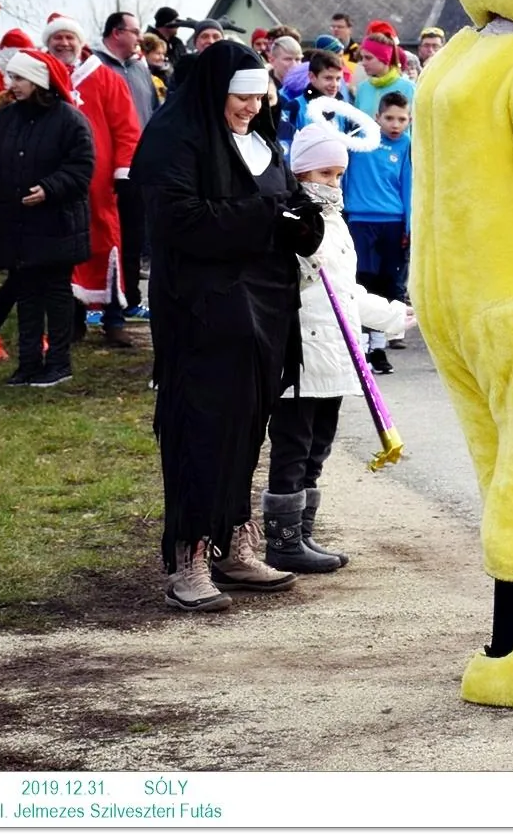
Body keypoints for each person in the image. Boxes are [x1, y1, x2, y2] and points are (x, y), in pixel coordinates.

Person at [131, 40, 326, 612]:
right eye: (240, 96)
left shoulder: (261, 142)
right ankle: (187, 556)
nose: (250, 106)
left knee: (247, 427)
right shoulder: (177, 141)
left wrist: (303, 219)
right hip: (203, 311)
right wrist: (268, 216)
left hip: (264, 312)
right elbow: (178, 220)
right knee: (201, 432)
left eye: (257, 96)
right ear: (216, 91)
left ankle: (234, 542)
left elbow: (286, 204)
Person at [266, 116, 412, 573]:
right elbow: (286, 282)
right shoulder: (292, 219)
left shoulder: (336, 221)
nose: (333, 182)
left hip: (336, 356)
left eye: (339, 174)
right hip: (301, 356)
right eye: (324, 173)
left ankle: (303, 534)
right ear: (302, 173)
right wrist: (303, 256)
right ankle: (283, 542)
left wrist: (394, 316)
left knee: (318, 446)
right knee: (293, 445)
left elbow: (347, 292)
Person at [0, 49, 95, 387]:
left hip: (56, 222)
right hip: (15, 224)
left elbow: (82, 168)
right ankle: (28, 364)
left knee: (55, 294)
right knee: (26, 293)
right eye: (12, 77)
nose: (13, 84)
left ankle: (58, 363)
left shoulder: (69, 120)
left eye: (20, 77)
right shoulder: (2, 120)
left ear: (39, 81)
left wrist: (50, 189)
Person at [42, 14, 141, 348]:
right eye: (58, 38)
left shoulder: (107, 79)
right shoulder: (42, 79)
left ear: (81, 41)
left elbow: (127, 128)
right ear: (48, 41)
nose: (64, 44)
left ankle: (113, 320)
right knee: (63, 249)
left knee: (107, 246)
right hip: (57, 185)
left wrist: (123, 172)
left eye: (70, 37)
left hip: (101, 186)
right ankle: (73, 320)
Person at [343, 90, 413, 374]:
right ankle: (358, 347)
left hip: (393, 221)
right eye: (390, 118)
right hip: (359, 219)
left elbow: (408, 185)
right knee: (361, 282)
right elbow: (343, 173)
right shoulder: (359, 139)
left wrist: (409, 226)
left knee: (388, 283)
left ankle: (379, 348)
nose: (396, 125)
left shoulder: (406, 144)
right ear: (377, 118)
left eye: (402, 119)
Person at [95, 12, 158, 322]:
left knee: (133, 235)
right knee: (105, 237)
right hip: (103, 168)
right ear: (117, 33)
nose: (139, 37)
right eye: (134, 31)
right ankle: (98, 302)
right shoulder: (95, 66)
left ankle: (131, 297)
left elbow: (152, 113)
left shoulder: (139, 70)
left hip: (138, 167)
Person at [353, 36, 416, 116]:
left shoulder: (409, 88)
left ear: (385, 59)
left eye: (368, 58)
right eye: (362, 58)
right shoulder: (362, 87)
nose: (363, 63)